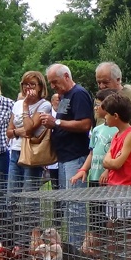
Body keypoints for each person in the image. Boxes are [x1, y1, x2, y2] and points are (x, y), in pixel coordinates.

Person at [40, 64, 94, 248]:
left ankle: (76, 248)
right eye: (51, 83)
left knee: (75, 204)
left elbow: (85, 124)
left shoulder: (78, 94)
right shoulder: (64, 97)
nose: (53, 86)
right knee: (67, 203)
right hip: (63, 157)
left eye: (55, 82)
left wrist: (56, 122)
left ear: (66, 76)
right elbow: (60, 121)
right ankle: (70, 247)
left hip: (75, 156)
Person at [6, 71, 51, 193]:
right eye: (25, 84)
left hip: (32, 154)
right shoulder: (17, 104)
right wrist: (19, 131)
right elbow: (9, 132)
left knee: (29, 196)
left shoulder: (44, 105)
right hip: (15, 152)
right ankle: (12, 213)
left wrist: (26, 105)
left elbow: (30, 128)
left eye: (32, 84)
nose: (28, 87)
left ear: (40, 86)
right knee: (11, 193)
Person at [101, 93, 131, 214]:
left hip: (126, 188)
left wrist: (110, 161)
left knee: (127, 227)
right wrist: (109, 161)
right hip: (113, 187)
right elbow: (106, 160)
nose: (105, 117)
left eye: (107, 114)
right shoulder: (116, 135)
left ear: (116, 116)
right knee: (112, 224)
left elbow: (116, 164)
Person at [70, 88, 118, 187]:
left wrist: (108, 171)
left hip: (109, 179)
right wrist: (83, 169)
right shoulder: (96, 129)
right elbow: (91, 154)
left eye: (98, 105)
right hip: (94, 177)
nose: (95, 108)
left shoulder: (118, 130)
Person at [95, 62, 131, 134]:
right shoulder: (99, 99)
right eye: (98, 82)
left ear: (118, 80)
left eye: (105, 82)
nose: (101, 86)